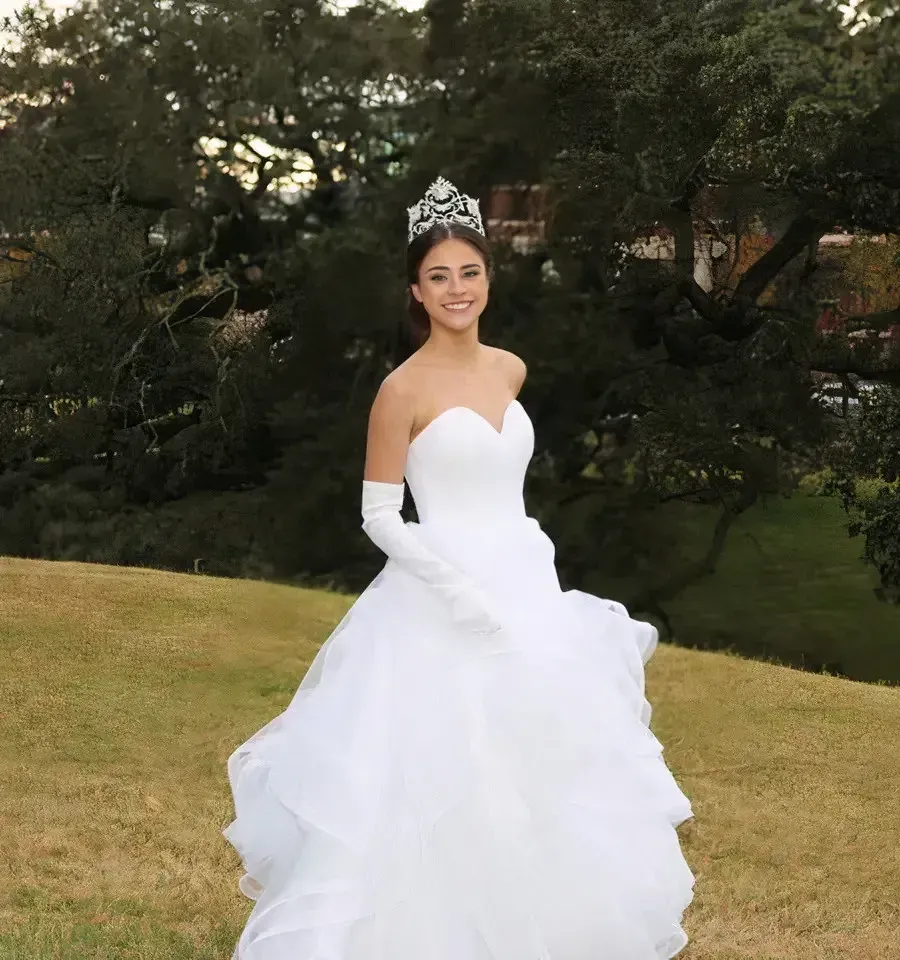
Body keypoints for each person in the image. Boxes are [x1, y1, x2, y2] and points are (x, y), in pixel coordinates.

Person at [223, 177, 696, 960]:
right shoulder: (399, 389)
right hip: (440, 596)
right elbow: (379, 515)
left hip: (524, 585)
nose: (456, 289)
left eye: (468, 273)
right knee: (441, 769)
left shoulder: (509, 369)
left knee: (539, 768)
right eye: (438, 276)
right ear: (416, 289)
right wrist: (455, 589)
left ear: (488, 279)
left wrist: (510, 581)